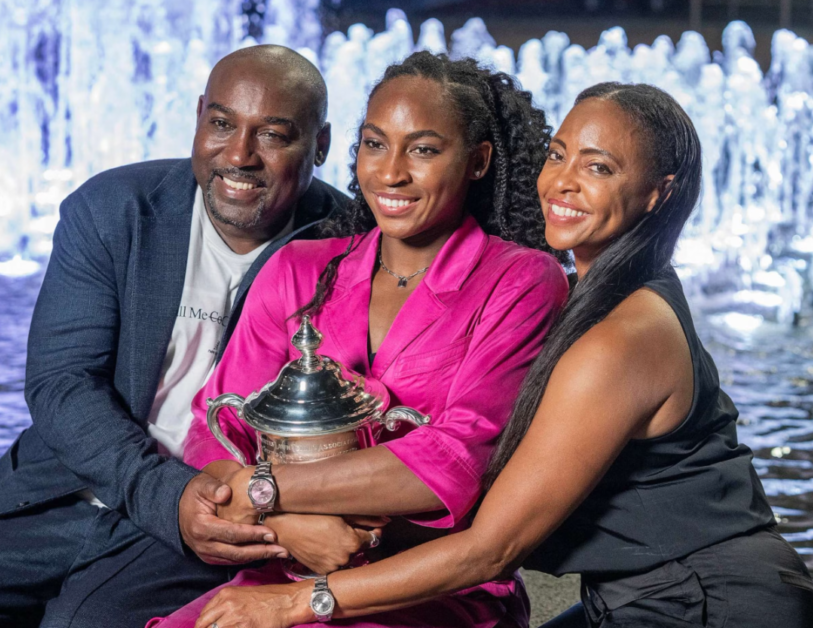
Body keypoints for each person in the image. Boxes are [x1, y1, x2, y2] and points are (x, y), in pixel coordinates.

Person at [190, 83, 813, 628]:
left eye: (599, 168)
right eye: (558, 155)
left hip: (713, 601)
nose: (564, 182)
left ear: (658, 194)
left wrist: (296, 603)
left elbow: (492, 549)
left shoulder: (622, 338)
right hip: (648, 595)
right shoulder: (602, 292)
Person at [0, 45, 349, 628]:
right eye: (221, 124)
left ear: (319, 145)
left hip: (219, 508)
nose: (239, 155)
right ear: (198, 117)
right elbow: (61, 382)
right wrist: (161, 491)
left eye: (272, 135)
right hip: (69, 484)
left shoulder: (349, 245)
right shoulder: (114, 209)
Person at [147, 51, 569, 628]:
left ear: (477, 161)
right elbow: (216, 433)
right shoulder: (299, 268)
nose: (390, 172)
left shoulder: (520, 280)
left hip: (427, 587)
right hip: (280, 570)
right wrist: (288, 526)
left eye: (422, 149)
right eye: (374, 144)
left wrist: (267, 490)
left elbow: (456, 462)